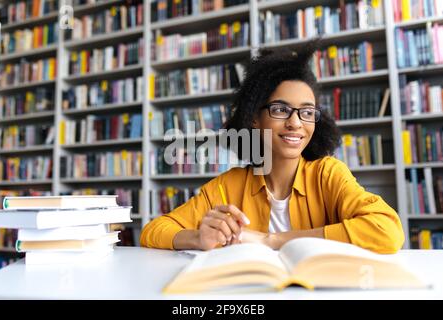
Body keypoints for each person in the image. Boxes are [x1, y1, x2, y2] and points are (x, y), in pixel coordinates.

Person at [140, 41, 405, 254]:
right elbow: (152, 232)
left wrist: (271, 240)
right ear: (254, 118)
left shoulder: (328, 174)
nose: (295, 123)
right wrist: (198, 237)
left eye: (307, 112)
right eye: (281, 109)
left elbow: (387, 231)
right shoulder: (227, 186)